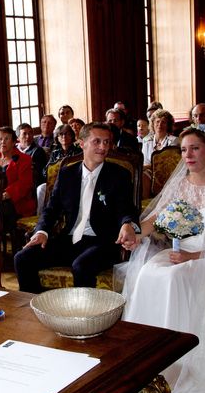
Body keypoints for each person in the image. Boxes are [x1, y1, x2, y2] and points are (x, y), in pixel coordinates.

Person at [117, 126, 205, 393]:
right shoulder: (179, 187)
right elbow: (153, 220)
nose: (187, 155)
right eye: (184, 149)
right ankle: (147, 362)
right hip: (180, 255)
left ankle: (180, 365)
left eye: (195, 148)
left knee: (173, 278)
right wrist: (134, 233)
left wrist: (194, 256)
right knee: (149, 272)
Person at [14, 123, 138, 293]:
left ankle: (84, 317)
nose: (103, 147)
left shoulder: (119, 175)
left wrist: (127, 224)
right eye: (97, 142)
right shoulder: (67, 174)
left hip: (102, 242)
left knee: (81, 266)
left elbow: (126, 209)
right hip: (70, 239)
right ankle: (36, 310)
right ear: (82, 143)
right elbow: (51, 209)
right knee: (22, 258)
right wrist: (42, 232)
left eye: (107, 142)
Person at [0, 126, 35, 230]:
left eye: (7, 139)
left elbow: (25, 183)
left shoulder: (24, 159)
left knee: (2, 207)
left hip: (15, 201)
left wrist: (7, 194)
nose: (3, 142)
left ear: (13, 142)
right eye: (0, 139)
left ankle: (3, 238)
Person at [36, 124, 83, 214]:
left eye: (67, 134)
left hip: (73, 183)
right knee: (41, 188)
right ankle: (41, 216)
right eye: (61, 134)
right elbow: (46, 171)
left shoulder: (78, 152)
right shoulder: (55, 153)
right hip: (55, 182)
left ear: (72, 136)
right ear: (57, 137)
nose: (64, 137)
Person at [15, 122, 48, 189]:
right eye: (24, 134)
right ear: (18, 138)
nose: (28, 136)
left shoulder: (38, 151)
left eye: (30, 133)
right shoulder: (13, 150)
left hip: (31, 184)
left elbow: (38, 174)